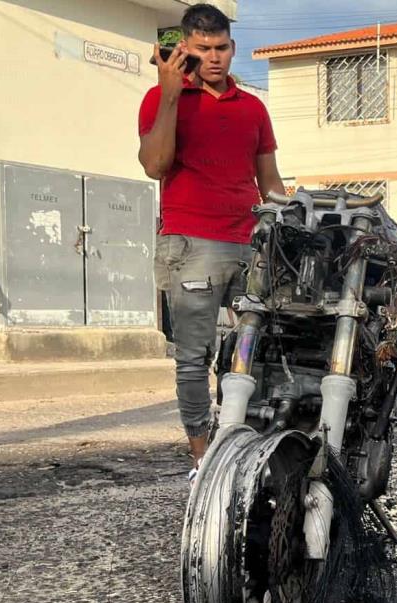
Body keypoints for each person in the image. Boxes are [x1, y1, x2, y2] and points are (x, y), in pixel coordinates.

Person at [138, 3, 285, 482]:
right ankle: (202, 459)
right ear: (184, 48)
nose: (214, 57)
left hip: (250, 244)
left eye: (222, 47)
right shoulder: (161, 99)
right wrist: (169, 94)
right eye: (203, 49)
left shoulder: (253, 108)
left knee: (260, 349)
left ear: (232, 47)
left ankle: (247, 444)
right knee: (193, 357)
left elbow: (270, 181)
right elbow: (155, 165)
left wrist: (288, 223)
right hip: (190, 244)